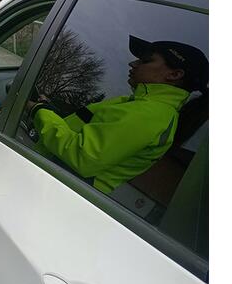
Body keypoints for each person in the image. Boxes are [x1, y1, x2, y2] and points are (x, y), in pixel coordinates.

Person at [27, 36, 208, 193]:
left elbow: (82, 156)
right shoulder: (135, 104)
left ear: (174, 74)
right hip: (54, 181)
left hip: (60, 189)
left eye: (145, 60)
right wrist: (50, 110)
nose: (133, 63)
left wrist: (39, 111)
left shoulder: (149, 115)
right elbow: (84, 129)